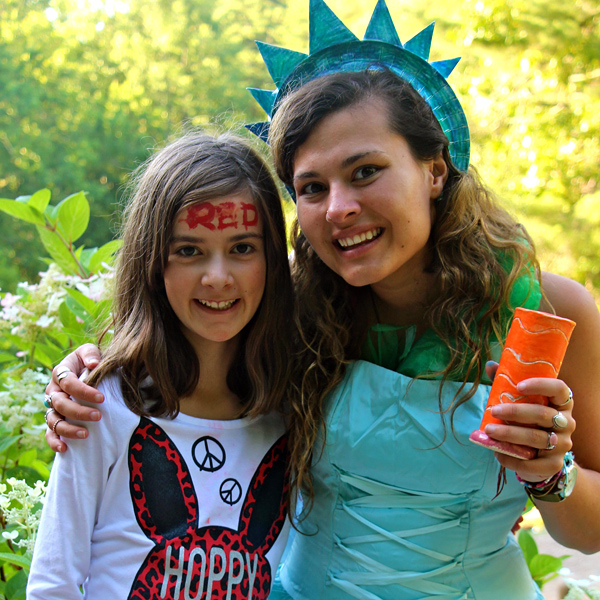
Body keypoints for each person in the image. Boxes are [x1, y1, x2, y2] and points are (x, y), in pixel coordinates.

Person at [41, 1, 600, 598]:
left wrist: (550, 472)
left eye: (365, 171)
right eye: (312, 187)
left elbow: (588, 538)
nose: (338, 208)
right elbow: (178, 339)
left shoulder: (548, 315)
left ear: (435, 169)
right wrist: (83, 371)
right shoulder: (289, 310)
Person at [28, 132, 294, 600]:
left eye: (243, 248)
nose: (218, 276)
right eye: (188, 250)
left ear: (273, 259)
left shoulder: (295, 408)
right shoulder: (102, 406)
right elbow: (53, 584)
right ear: (152, 262)